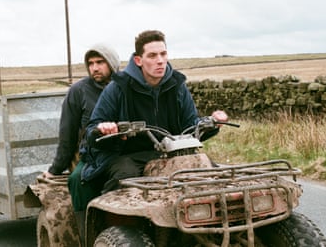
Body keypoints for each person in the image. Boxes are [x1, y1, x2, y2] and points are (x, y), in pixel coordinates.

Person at [83, 29, 228, 195]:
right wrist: (105, 128)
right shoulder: (118, 87)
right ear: (138, 60)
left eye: (163, 54)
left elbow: (191, 125)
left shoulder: (177, 85)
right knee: (125, 178)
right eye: (152, 56)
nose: (160, 61)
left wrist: (213, 123)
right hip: (127, 155)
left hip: (170, 154)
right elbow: (91, 131)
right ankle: (115, 220)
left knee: (212, 173)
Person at [41, 44, 120, 244]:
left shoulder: (126, 87)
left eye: (100, 62)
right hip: (92, 156)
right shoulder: (79, 91)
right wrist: (55, 169)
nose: (94, 68)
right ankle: (87, 235)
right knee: (78, 180)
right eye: (90, 63)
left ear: (112, 63)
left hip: (125, 153)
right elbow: (67, 135)